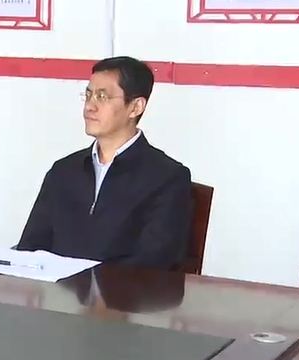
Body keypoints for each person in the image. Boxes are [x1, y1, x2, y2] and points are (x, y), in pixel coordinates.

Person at [16, 56, 193, 271]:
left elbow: (152, 263)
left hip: (121, 292)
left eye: (102, 96)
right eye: (88, 95)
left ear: (135, 107)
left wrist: (85, 282)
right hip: (56, 290)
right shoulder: (63, 171)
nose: (89, 106)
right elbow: (30, 248)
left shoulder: (167, 178)